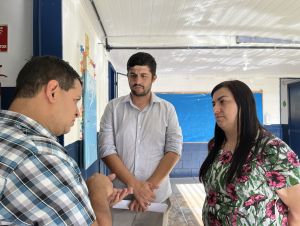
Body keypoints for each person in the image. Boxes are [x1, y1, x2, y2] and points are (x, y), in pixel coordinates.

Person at [0, 56, 131, 226]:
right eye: (75, 100)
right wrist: (97, 191)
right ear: (52, 90)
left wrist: (85, 200)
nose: (77, 112)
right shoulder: (41, 156)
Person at [199, 80, 300, 225]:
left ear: (243, 105)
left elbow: (297, 211)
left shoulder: (272, 149)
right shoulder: (216, 145)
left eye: (222, 102)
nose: (216, 109)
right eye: (214, 104)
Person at [99, 52, 183, 226]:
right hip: (119, 197)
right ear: (128, 76)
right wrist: (135, 186)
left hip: (155, 198)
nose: (137, 81)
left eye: (144, 76)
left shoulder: (167, 110)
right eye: (133, 75)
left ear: (153, 78)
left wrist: (146, 189)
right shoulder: (113, 108)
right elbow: (106, 149)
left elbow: (174, 150)